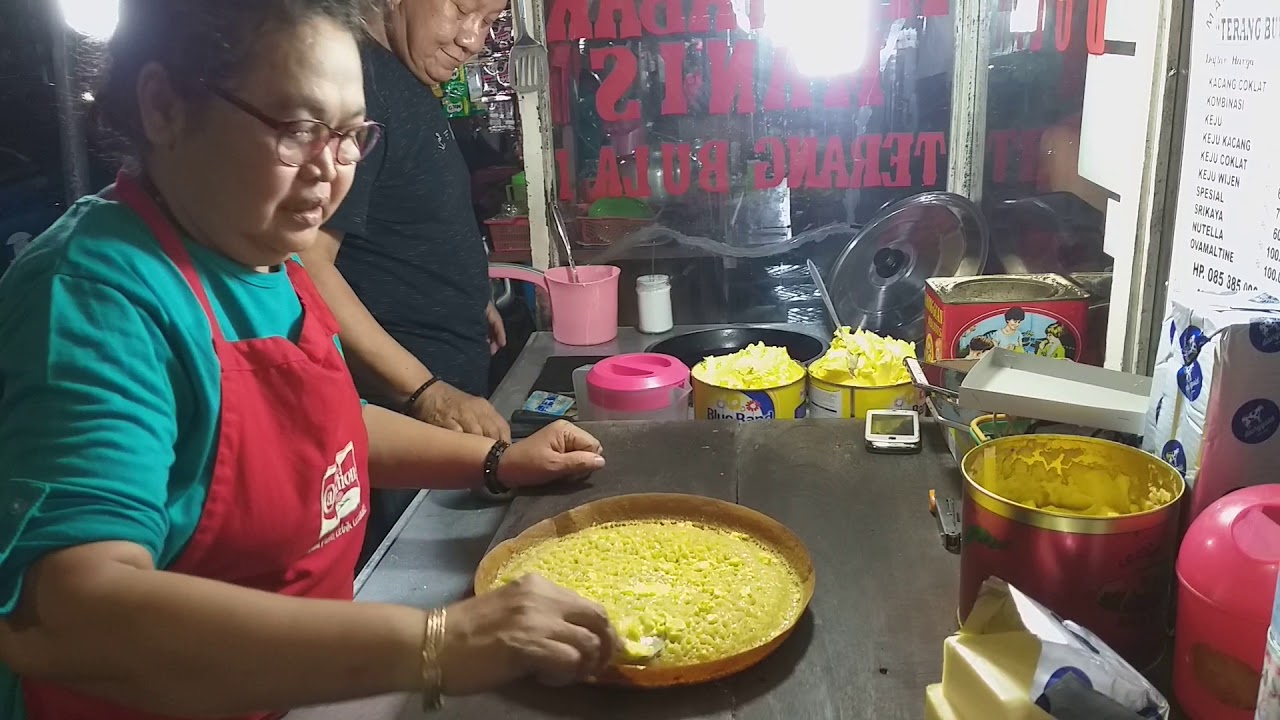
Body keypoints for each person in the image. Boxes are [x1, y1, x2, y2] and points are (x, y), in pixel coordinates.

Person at [0, 2, 617, 718]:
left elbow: (319, 427)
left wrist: (493, 462)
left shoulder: (257, 249)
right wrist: (438, 644)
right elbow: (70, 620)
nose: (331, 172)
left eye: (351, 135)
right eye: (298, 130)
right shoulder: (93, 294)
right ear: (165, 107)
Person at [298, 0, 516, 565]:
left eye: (490, 22)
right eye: (464, 9)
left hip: (444, 405)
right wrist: (426, 392)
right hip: (396, 421)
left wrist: (469, 294)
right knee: (408, 582)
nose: (473, 39)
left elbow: (395, 223)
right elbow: (308, 263)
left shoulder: (403, 80)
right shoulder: (361, 82)